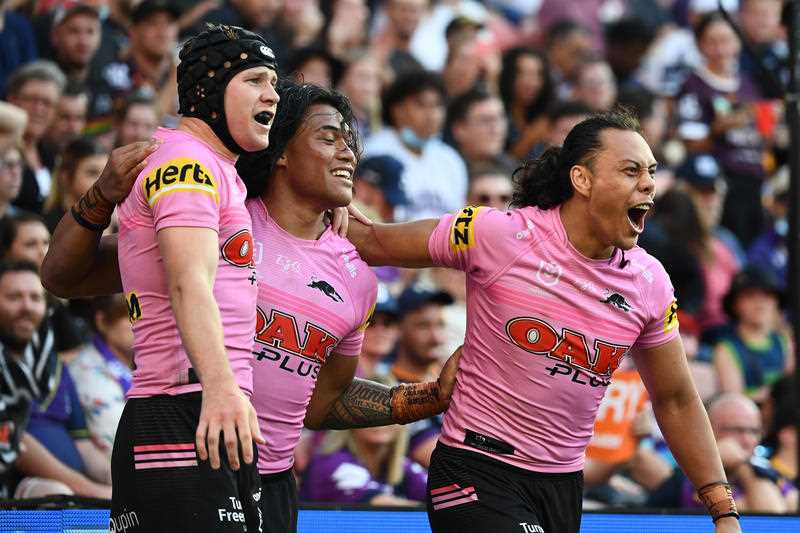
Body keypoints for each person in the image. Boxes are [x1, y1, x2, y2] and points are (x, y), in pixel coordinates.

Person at [43, 80, 460, 533]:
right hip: (187, 451)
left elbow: (322, 404)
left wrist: (428, 396)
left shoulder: (358, 278)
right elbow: (65, 277)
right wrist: (101, 196)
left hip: (275, 485)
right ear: (280, 151)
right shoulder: (217, 215)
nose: (347, 154)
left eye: (349, 141)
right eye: (327, 137)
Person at [345, 109, 741, 532]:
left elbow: (677, 398)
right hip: (475, 468)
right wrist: (310, 199)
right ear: (582, 180)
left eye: (651, 171)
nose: (648, 183)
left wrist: (722, 510)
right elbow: (375, 242)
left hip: (563, 486)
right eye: (630, 171)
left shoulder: (649, 283)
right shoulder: (496, 234)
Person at [44, 24, 280, 532]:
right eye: (257, 79)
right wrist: (219, 388)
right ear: (211, 88)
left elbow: (71, 276)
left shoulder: (218, 170)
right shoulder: (185, 162)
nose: (272, 95)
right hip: (186, 406)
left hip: (211, 405)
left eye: (276, 84)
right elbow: (185, 282)